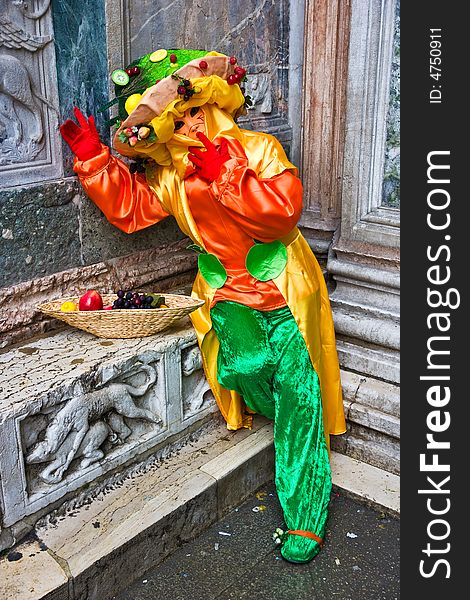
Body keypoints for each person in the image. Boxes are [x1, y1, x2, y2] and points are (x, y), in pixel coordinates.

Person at [60, 49, 346, 563]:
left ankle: (305, 516)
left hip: (283, 288)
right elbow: (130, 208)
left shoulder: (259, 149)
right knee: (248, 366)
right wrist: (95, 159)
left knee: (299, 389)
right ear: (168, 130)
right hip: (224, 292)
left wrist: (230, 177)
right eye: (181, 119)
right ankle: (276, 406)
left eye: (198, 112)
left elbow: (282, 218)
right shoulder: (172, 179)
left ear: (216, 106)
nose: (194, 125)